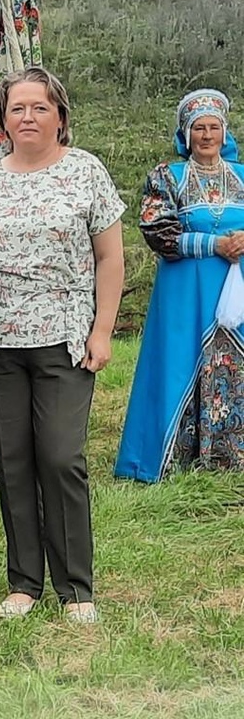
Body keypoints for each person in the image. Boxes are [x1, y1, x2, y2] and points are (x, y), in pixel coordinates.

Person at [0, 67, 125, 624]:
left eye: (40, 107)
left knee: (60, 456)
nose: (28, 117)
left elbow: (110, 258)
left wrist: (102, 331)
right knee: (13, 462)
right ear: (2, 120)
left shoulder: (85, 172)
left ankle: (77, 587)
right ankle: (25, 581)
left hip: (65, 338)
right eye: (17, 108)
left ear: (61, 117)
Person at [116, 89, 244, 481]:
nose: (206, 135)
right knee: (178, 363)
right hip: (184, 292)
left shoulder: (242, 176)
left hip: (236, 287)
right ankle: (168, 460)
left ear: (225, 132)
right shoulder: (166, 177)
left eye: (213, 127)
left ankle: (229, 459)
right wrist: (214, 244)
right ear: (185, 135)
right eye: (198, 129)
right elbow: (157, 232)